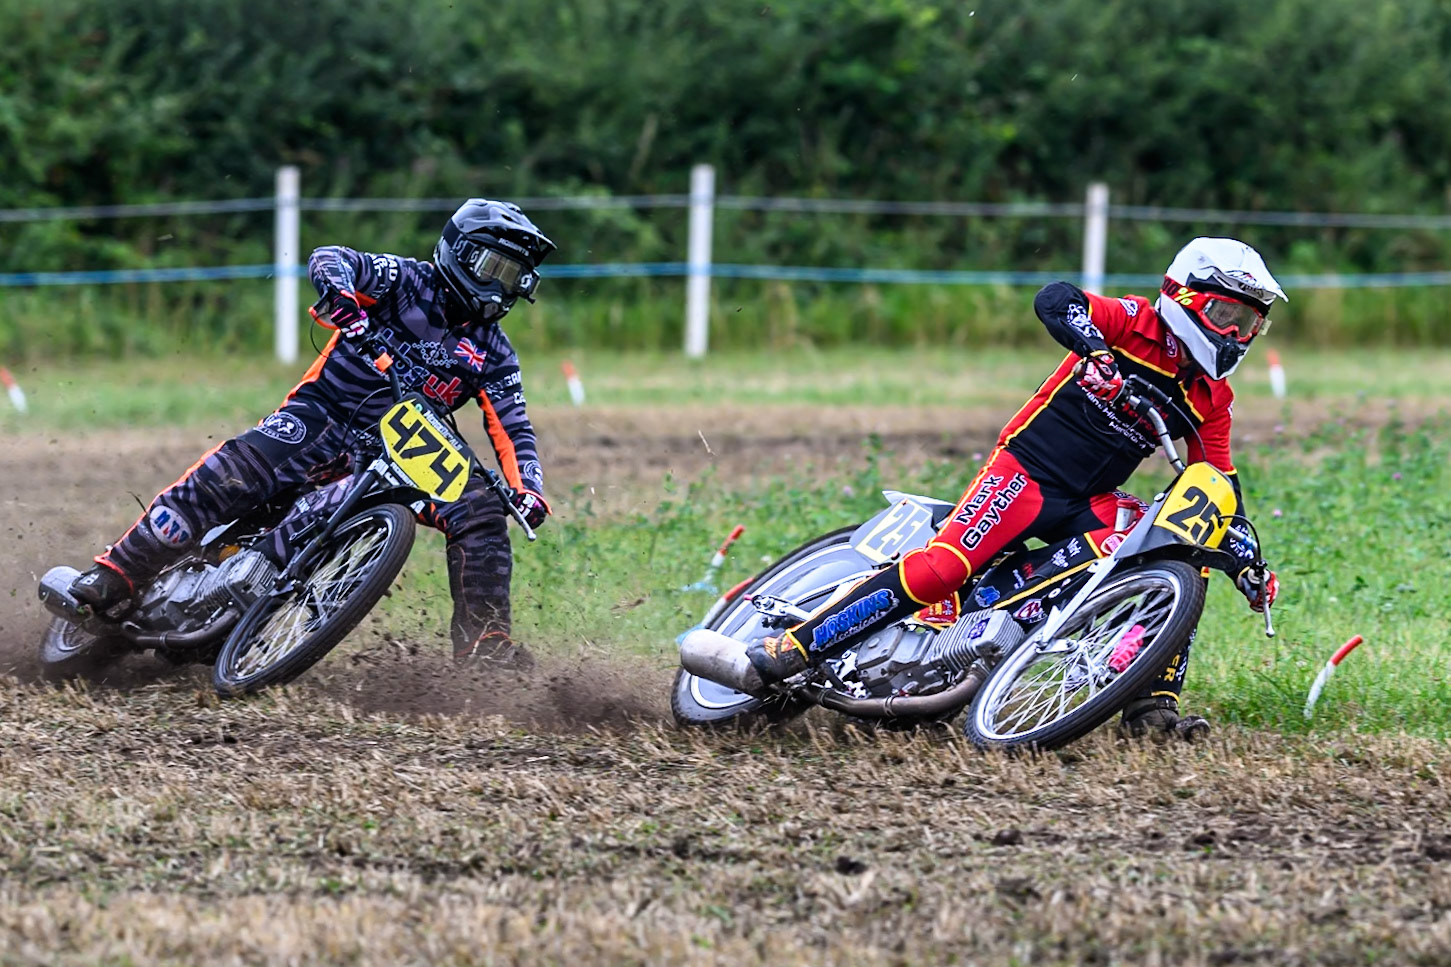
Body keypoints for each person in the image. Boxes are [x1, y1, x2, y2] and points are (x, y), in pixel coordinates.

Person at [746, 237, 1284, 737]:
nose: (1234, 335)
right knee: (946, 567)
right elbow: (1057, 299)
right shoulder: (1132, 321)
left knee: (1180, 553)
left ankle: (1151, 707)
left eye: (1248, 325)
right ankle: (795, 646)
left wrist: (1246, 560)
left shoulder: (1212, 399)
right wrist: (1095, 351)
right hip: (1025, 471)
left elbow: (1218, 487)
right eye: (1226, 316)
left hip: (1089, 501)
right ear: (1183, 296)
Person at [69, 198, 555, 663]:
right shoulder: (405, 279)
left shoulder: (495, 352)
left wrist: (527, 489)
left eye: (513, 276)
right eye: (495, 269)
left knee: (482, 511)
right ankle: (118, 573)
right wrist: (344, 303)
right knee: (231, 473)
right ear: (462, 253)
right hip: (323, 415)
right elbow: (331, 258)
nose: (502, 286)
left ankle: (484, 648)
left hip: (404, 446)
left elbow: (514, 425)